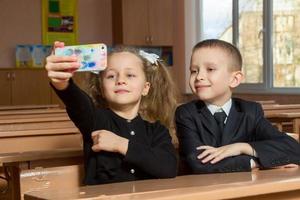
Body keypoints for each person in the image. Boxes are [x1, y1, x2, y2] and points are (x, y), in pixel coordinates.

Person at [46, 41, 178, 185]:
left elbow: (168, 167)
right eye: (111, 76)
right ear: (102, 89)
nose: (120, 80)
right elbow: (77, 102)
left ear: (145, 88)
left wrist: (120, 144)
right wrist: (62, 81)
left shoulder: (156, 131)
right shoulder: (95, 120)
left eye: (130, 75)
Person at [175, 39, 300, 174]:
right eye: (194, 71)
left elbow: (293, 149)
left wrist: (242, 147)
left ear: (234, 79)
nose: (199, 76)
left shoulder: (250, 111)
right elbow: (199, 163)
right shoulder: (186, 113)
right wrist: (255, 162)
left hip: (245, 186)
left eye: (210, 69)